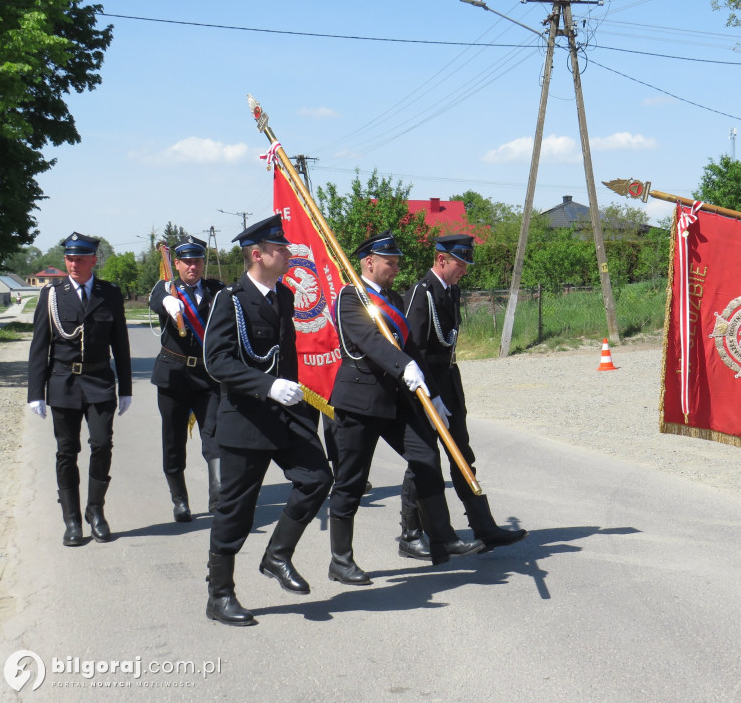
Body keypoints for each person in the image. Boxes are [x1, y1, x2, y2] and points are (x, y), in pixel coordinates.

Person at [325, 230, 483, 585]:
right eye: (389, 263)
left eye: (396, 263)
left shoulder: (393, 298)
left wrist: (433, 392)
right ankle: (341, 559)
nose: (396, 268)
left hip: (397, 401)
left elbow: (412, 350)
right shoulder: (351, 298)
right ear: (369, 262)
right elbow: (369, 342)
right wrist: (402, 365)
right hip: (360, 403)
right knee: (350, 481)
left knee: (426, 458)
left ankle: (437, 537)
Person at [202, 215, 333, 626]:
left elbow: (287, 358)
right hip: (246, 418)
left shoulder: (285, 297)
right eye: (279, 248)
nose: (288, 253)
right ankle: (219, 595)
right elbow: (216, 360)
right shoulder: (231, 299)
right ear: (256, 255)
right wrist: (266, 385)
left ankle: (277, 555)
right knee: (236, 511)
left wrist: (293, 395)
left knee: (317, 479)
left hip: (284, 415)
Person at [397, 234, 526, 559]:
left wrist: (446, 392)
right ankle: (410, 535)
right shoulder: (420, 293)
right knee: (423, 461)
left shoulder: (451, 292)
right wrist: (430, 394)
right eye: (460, 264)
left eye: (466, 264)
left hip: (449, 384)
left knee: (462, 456)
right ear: (441, 260)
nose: (464, 271)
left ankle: (484, 526)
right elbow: (412, 350)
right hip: (424, 389)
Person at [27, 232, 132, 546]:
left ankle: (95, 511)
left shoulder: (109, 294)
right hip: (63, 382)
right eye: (70, 258)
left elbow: (121, 344)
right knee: (66, 451)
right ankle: (72, 520)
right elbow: (39, 346)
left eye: (80, 258)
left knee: (101, 444)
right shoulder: (52, 295)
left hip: (99, 382)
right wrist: (36, 391)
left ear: (93, 260)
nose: (74, 264)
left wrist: (125, 386)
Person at [149, 235, 226, 522]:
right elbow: (156, 299)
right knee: (173, 441)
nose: (192, 267)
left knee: (215, 437)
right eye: (186, 262)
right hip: (173, 377)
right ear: (177, 264)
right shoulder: (166, 288)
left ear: (203, 263)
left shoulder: (216, 290)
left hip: (208, 378)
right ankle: (180, 501)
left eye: (197, 261)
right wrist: (168, 300)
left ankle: (218, 499)